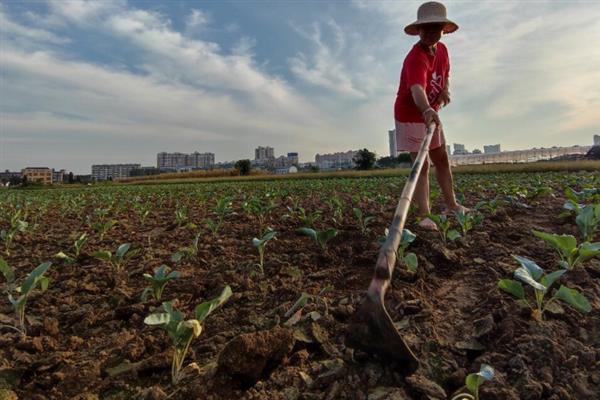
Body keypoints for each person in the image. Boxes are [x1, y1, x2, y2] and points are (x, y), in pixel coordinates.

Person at [394, 1, 467, 231]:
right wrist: (426, 109)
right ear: (419, 30)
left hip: (430, 112)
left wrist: (444, 91)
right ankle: (425, 215)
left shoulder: (443, 51)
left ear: (443, 30)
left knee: (442, 158)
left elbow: (444, 74)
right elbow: (417, 89)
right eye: (426, 28)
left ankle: (452, 205)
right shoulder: (415, 57)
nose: (430, 33)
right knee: (421, 165)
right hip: (411, 114)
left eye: (435, 28)